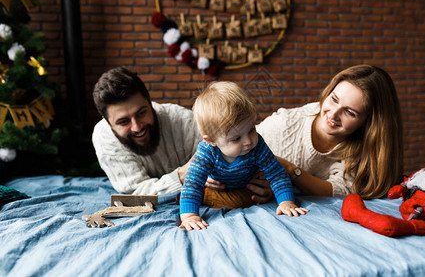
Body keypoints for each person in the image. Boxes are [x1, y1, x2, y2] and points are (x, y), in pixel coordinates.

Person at [92, 67, 272, 201]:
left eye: (141, 113)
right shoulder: (104, 139)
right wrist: (180, 176)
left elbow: (230, 152)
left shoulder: (182, 120)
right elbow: (134, 193)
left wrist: (263, 180)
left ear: (150, 102)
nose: (137, 127)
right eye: (123, 121)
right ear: (108, 122)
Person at [257, 64, 404, 199]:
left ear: (369, 123)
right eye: (334, 99)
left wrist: (291, 170)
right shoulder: (283, 124)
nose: (333, 114)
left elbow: (343, 190)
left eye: (349, 112)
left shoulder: (363, 144)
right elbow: (237, 152)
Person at [179, 81, 309, 231]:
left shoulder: (257, 145)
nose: (248, 141)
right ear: (212, 140)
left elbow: (277, 174)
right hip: (219, 188)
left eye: (251, 129)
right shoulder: (206, 152)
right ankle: (186, 202)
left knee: (254, 195)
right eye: (236, 139)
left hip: (247, 185)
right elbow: (192, 183)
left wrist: (286, 202)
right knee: (207, 195)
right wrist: (189, 216)